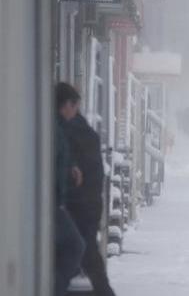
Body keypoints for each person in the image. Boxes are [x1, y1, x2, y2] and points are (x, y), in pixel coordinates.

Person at [60, 83, 116, 296]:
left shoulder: (68, 131)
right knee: (84, 253)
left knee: (80, 251)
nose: (76, 110)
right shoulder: (82, 131)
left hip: (78, 205)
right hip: (87, 205)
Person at [55, 83, 86, 296]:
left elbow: (62, 156)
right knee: (76, 245)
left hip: (57, 201)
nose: (76, 112)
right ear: (66, 105)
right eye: (75, 106)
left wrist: (72, 166)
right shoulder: (53, 129)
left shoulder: (60, 128)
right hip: (50, 203)